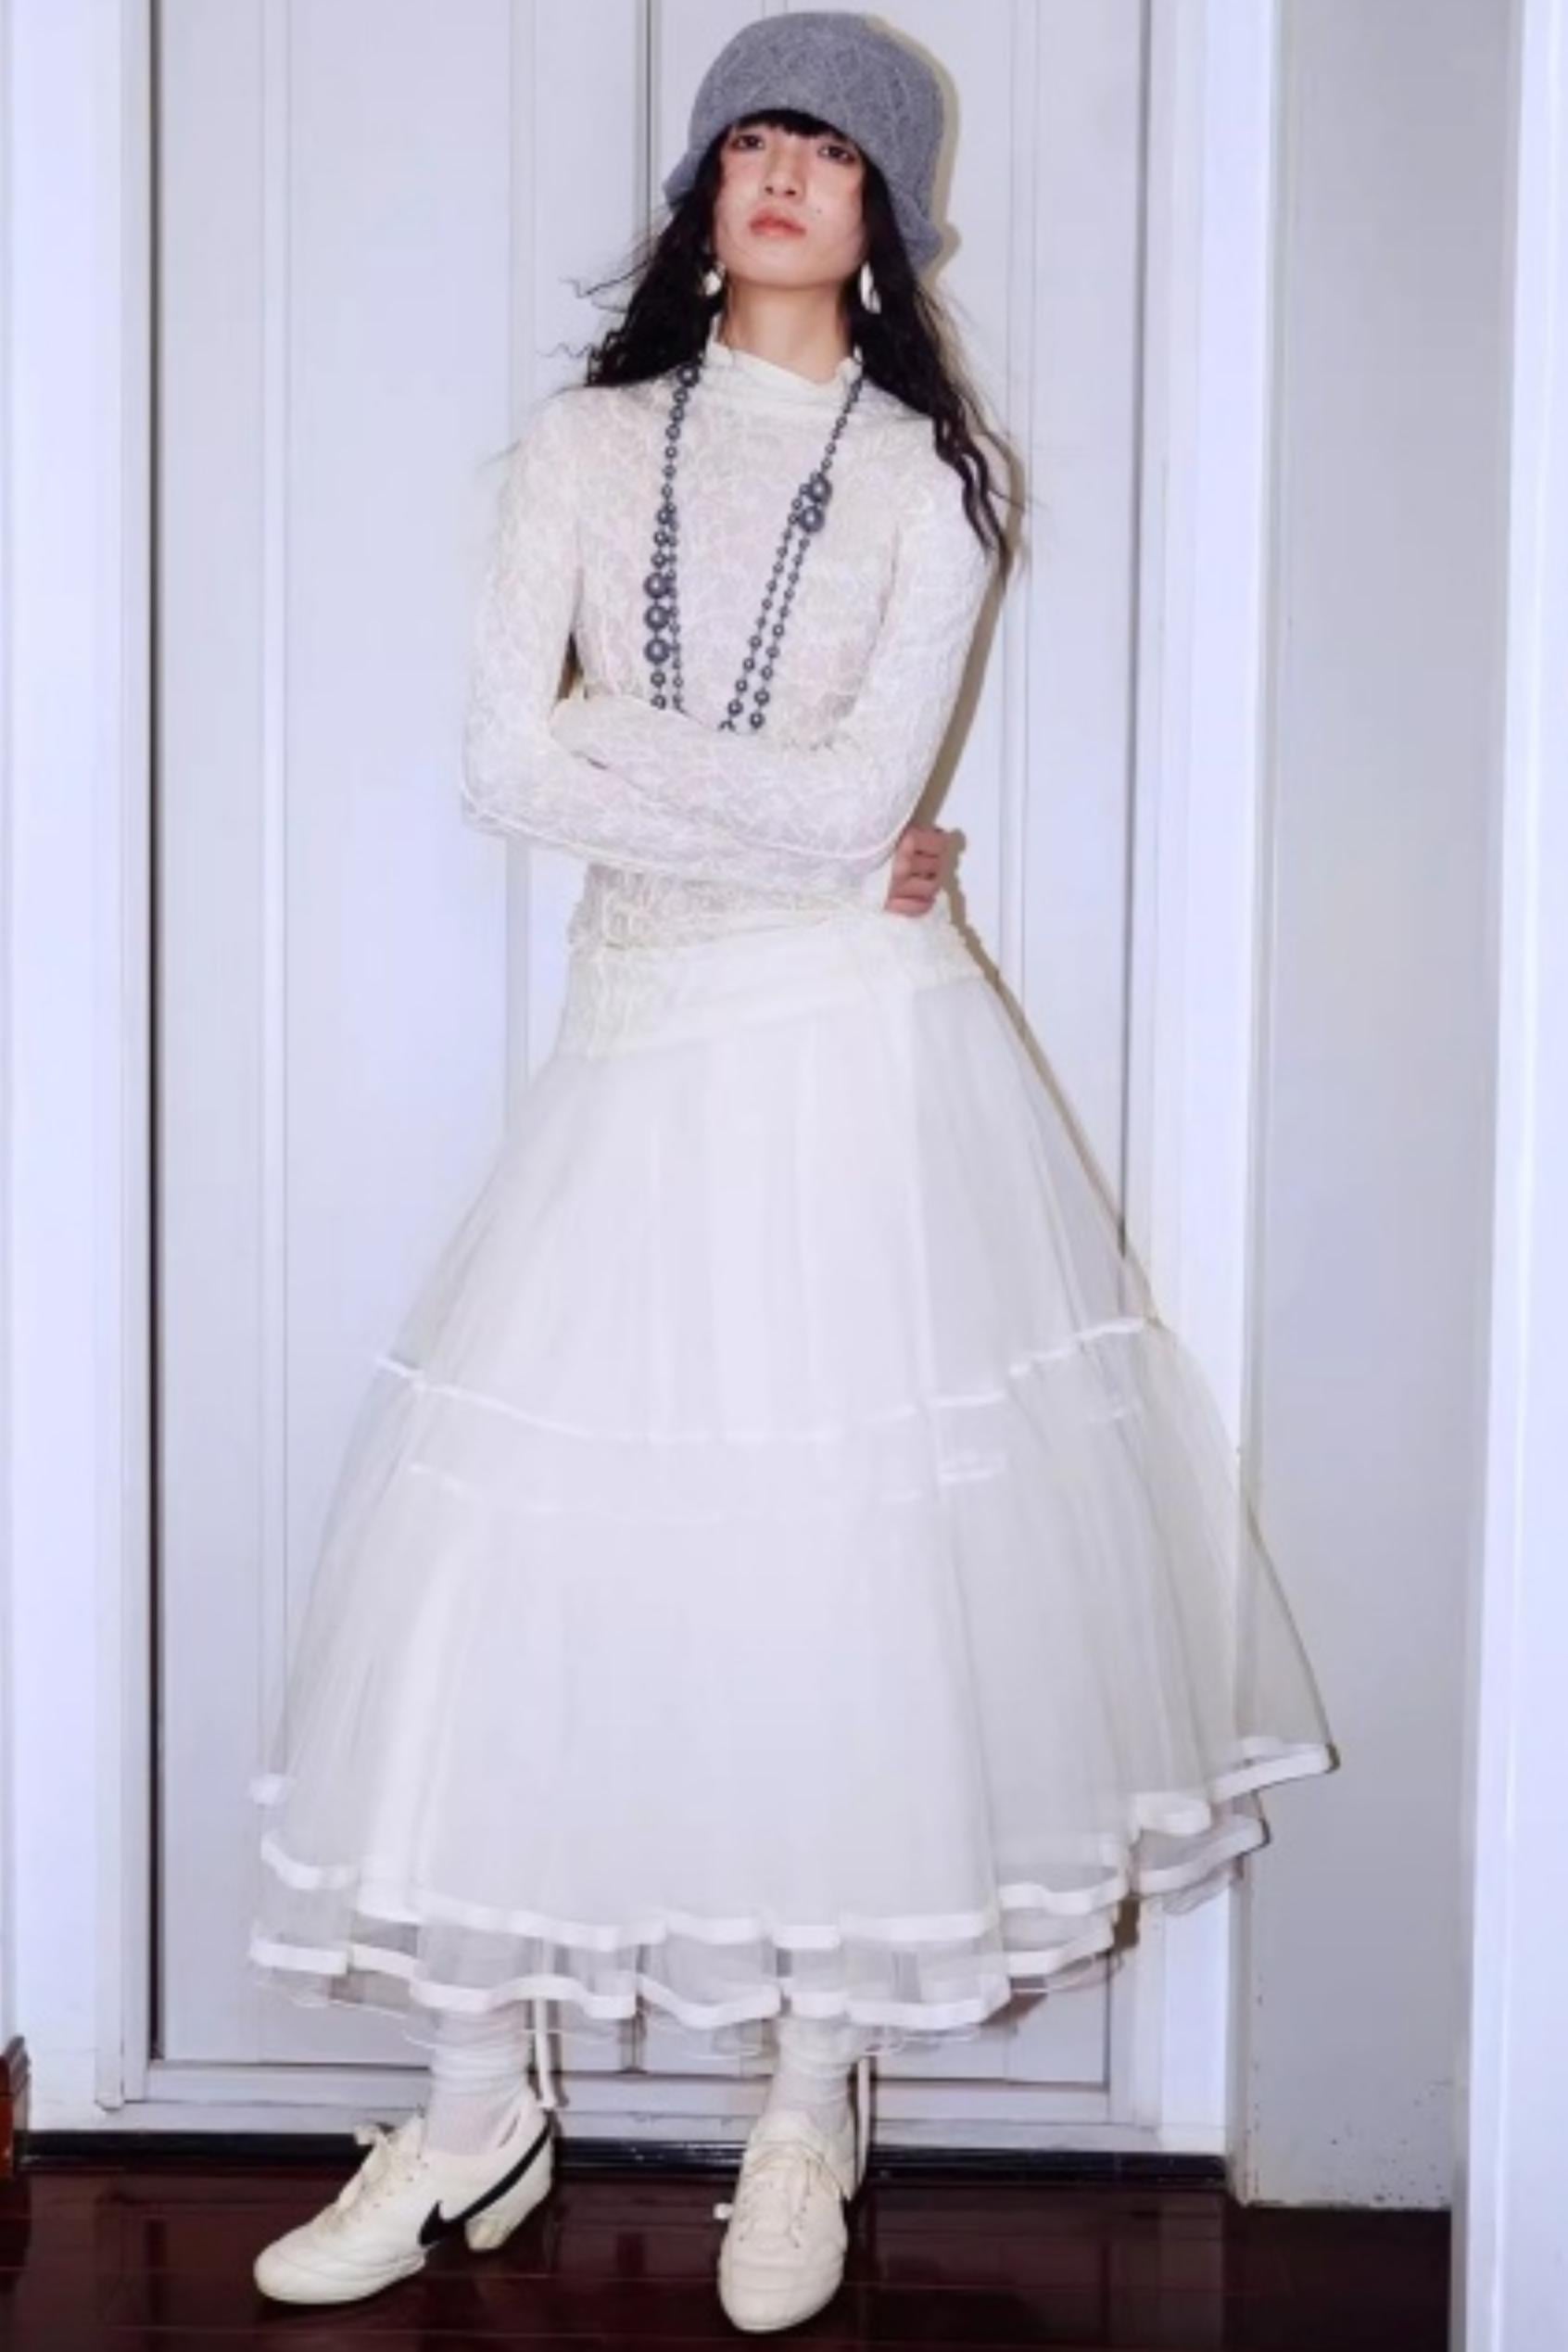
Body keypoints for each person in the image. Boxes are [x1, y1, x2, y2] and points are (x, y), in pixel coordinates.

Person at [247, 10, 1336, 2332]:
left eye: (828, 151)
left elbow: (850, 808)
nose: (779, 171)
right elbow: (500, 766)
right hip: (636, 1052)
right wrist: (791, 815)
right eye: (750, 134)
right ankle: (474, 2105)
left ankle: (802, 2113)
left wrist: (665, 764)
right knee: (512, 1570)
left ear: (886, 219)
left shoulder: (933, 486)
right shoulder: (579, 446)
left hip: (857, 1066)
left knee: (850, 1586)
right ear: (699, 191)